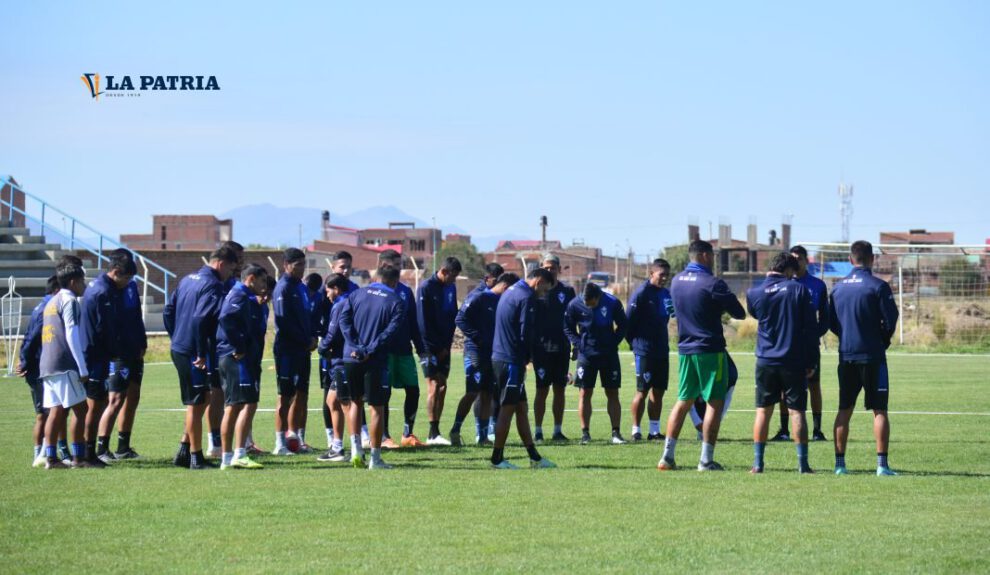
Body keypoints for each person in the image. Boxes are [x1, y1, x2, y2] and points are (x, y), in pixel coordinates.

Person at [657, 240, 746, 472]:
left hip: (685, 349)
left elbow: (675, 310)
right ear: (705, 256)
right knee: (714, 403)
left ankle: (667, 456)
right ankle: (705, 460)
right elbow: (739, 312)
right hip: (710, 350)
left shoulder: (675, 281)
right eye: (713, 256)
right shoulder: (713, 283)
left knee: (683, 401)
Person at [164, 245, 239, 469]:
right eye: (231, 270)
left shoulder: (187, 279)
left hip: (181, 346)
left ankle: (184, 449)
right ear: (221, 264)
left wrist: (176, 335)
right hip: (192, 352)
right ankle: (196, 458)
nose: (229, 276)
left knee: (202, 399)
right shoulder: (213, 284)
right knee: (196, 403)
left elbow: (169, 310)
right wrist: (199, 352)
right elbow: (199, 319)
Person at [829, 240, 899, 476]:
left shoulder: (837, 288)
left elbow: (832, 323)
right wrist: (882, 341)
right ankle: (882, 466)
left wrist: (847, 336)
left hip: (846, 355)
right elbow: (891, 319)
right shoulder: (878, 286)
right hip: (872, 356)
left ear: (850, 259)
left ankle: (840, 466)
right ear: (872, 259)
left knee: (844, 409)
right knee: (879, 410)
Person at [746, 252, 819, 474]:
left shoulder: (754, 292)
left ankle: (758, 464)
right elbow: (809, 329)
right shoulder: (798, 289)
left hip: (766, 359)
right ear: (789, 270)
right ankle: (803, 465)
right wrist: (811, 361)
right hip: (792, 359)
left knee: (763, 411)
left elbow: (757, 314)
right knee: (797, 412)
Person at [339, 265, 406, 469]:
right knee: (376, 407)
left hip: (351, 357)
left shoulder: (356, 293)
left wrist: (354, 345)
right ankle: (375, 458)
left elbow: (344, 320)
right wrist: (369, 349)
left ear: (376, 277)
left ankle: (356, 451)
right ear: (395, 282)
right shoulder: (396, 301)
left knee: (354, 403)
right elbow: (389, 332)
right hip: (374, 360)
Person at [489, 268, 556, 469]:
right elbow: (525, 333)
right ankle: (497, 459)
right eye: (545, 289)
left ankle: (534, 457)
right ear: (539, 281)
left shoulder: (510, 290)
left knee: (521, 408)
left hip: (503, 357)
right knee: (508, 409)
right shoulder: (526, 297)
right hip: (511, 361)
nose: (544, 293)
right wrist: (530, 360)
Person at [768, 245, 831, 442]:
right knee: (784, 390)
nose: (795, 263)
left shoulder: (817, 285)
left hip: (808, 346)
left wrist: (813, 336)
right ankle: (784, 430)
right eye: (792, 259)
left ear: (806, 261)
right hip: (786, 347)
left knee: (814, 385)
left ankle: (817, 430)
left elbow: (825, 317)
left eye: (799, 259)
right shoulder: (783, 283)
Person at [80, 249, 136, 466]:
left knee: (98, 404)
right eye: (127, 278)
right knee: (95, 407)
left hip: (99, 356)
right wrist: (114, 351)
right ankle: (89, 453)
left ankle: (88, 452)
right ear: (115, 272)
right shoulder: (103, 292)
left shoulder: (103, 287)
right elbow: (102, 329)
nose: (128, 283)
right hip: (96, 357)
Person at [452, 272, 519, 446]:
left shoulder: (501, 301)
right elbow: (460, 319)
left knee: (487, 394)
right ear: (505, 287)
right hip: (475, 351)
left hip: (493, 353)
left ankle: (482, 436)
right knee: (473, 391)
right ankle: (456, 429)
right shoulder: (478, 298)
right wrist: (478, 338)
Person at [39, 260, 92, 469]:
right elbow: (71, 333)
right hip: (64, 364)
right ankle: (79, 458)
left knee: (56, 411)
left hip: (47, 365)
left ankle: (51, 459)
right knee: (81, 409)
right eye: (81, 281)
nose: (84, 285)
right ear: (72, 282)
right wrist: (82, 367)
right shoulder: (69, 301)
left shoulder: (51, 301)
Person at [216, 264, 269, 470]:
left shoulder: (243, 295)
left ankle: (229, 457)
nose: (264, 287)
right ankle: (237, 453)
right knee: (240, 405)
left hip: (235, 357)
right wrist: (238, 346)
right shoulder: (239, 294)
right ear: (252, 278)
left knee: (236, 405)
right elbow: (226, 318)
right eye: (263, 281)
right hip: (236, 358)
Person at [372, 250, 426, 449]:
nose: (397, 269)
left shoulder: (405, 291)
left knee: (413, 390)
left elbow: (413, 322)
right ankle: (384, 436)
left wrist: (421, 348)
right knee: (383, 394)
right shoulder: (373, 291)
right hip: (383, 352)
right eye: (393, 265)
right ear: (383, 266)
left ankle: (407, 433)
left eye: (399, 265)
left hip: (404, 350)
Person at [564, 282, 628, 445]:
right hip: (586, 357)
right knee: (585, 393)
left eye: (591, 303)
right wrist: (579, 344)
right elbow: (568, 328)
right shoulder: (574, 305)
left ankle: (616, 433)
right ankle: (585, 434)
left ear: (598, 297)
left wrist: (613, 341)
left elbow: (623, 325)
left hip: (609, 355)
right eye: (585, 303)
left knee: (612, 393)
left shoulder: (612, 302)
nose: (588, 305)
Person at [271, 248, 317, 456]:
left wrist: (313, 337)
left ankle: (297, 439)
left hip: (303, 349)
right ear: (286, 265)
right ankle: (280, 443)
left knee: (302, 394)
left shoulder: (301, 287)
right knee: (285, 396)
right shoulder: (283, 288)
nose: (301, 268)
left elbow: (307, 317)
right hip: (288, 350)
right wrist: (303, 340)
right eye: (297, 264)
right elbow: (284, 322)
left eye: (303, 264)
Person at [105, 250, 148, 460]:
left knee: (133, 397)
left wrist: (142, 341)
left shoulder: (130, 285)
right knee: (115, 399)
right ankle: (101, 448)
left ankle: (123, 447)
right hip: (118, 353)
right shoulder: (107, 289)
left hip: (135, 350)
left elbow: (137, 315)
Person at [314, 252, 360, 449]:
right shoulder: (350, 298)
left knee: (345, 403)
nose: (326, 295)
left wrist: (322, 348)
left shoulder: (340, 304)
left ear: (336, 289)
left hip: (342, 359)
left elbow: (332, 333)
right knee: (332, 401)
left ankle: (355, 447)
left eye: (328, 291)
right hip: (343, 358)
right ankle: (337, 445)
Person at [20, 275, 68, 466]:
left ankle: (50, 452)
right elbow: (31, 339)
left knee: (50, 412)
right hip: (40, 368)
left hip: (40, 367)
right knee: (50, 412)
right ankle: (44, 453)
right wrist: (24, 362)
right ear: (57, 290)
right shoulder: (47, 309)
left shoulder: (42, 306)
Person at [626, 258, 674, 442]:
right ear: (651, 273)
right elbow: (628, 322)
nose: (664, 279)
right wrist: (634, 345)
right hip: (644, 350)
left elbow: (670, 316)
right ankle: (636, 430)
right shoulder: (641, 294)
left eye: (667, 276)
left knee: (659, 391)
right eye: (661, 275)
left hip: (662, 349)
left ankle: (654, 431)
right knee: (642, 390)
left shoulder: (666, 294)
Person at [416, 256, 462, 445]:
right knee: (434, 386)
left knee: (443, 387)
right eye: (453, 276)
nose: (454, 280)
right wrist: (433, 348)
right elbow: (422, 322)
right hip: (429, 348)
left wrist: (446, 345)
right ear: (443, 271)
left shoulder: (450, 287)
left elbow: (452, 316)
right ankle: (432, 432)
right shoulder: (426, 287)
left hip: (444, 347)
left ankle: (435, 432)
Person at [207, 240, 245, 457]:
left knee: (236, 396)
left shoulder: (234, 281)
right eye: (237, 258)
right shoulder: (214, 282)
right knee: (216, 394)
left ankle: (242, 441)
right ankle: (215, 442)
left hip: (231, 345)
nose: (240, 262)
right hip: (217, 346)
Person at [533, 254, 576, 443]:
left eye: (553, 268)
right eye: (546, 267)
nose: (550, 271)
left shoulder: (567, 291)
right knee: (542, 390)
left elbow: (575, 319)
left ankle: (558, 431)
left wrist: (575, 343)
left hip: (562, 348)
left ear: (559, 269)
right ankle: (538, 431)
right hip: (542, 349)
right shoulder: (537, 290)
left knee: (560, 389)